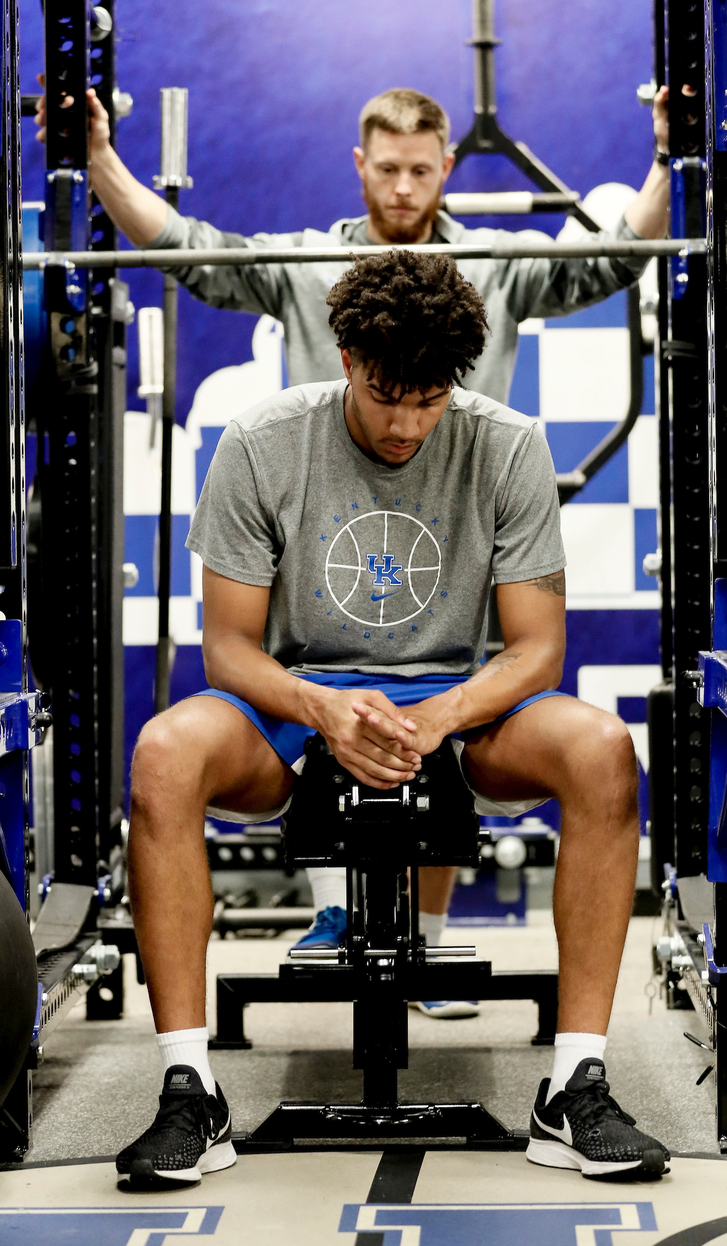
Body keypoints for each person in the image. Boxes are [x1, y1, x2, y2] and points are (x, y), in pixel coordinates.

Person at [36, 82, 670, 1001]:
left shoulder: (490, 274)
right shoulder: (304, 278)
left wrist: (668, 157)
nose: (405, 189)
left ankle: (433, 944)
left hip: (450, 570)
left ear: (444, 167)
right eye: (389, 169)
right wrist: (97, 161)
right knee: (269, 718)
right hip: (319, 580)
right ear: (360, 166)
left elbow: (612, 258)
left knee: (455, 682)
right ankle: (314, 943)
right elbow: (186, 249)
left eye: (421, 170)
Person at [115, 249, 669, 1186]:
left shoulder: (507, 443)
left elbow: (535, 650)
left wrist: (442, 715)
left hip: (459, 702)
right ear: (343, 355)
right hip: (297, 702)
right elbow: (231, 651)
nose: (409, 422)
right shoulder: (260, 441)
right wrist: (321, 708)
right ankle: (188, 1088)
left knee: (603, 750)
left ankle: (573, 1084)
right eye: (387, 396)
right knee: (165, 752)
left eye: (430, 398)